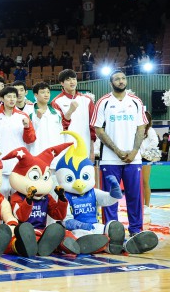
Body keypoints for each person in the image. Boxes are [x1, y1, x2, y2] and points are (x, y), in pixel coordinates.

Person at [92, 70, 147, 236]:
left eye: (123, 78)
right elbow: (98, 129)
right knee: (111, 198)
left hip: (134, 159)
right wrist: (117, 150)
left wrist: (135, 151)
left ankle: (136, 230)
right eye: (117, 79)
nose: (121, 81)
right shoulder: (103, 102)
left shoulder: (136, 101)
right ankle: (112, 232)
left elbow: (141, 128)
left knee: (134, 197)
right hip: (110, 159)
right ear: (111, 83)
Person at [0, 86, 36, 197]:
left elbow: (30, 139)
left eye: (14, 97)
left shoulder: (23, 116)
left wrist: (27, 127)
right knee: (1, 197)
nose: (12, 99)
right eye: (9, 96)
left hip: (19, 163)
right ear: (2, 98)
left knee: (18, 197)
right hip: (1, 162)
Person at [52, 69, 96, 161]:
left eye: (74, 79)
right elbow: (58, 128)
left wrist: (92, 150)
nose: (72, 82)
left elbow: (92, 127)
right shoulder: (56, 102)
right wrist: (70, 111)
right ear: (62, 83)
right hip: (66, 148)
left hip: (85, 146)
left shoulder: (87, 100)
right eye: (68, 80)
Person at [28, 82, 63, 157]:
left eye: (48, 92)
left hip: (54, 154)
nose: (46, 95)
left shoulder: (57, 113)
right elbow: (27, 134)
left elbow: (61, 134)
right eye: (43, 92)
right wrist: (37, 118)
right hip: (37, 153)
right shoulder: (28, 112)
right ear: (36, 95)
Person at [139, 112, 159, 220]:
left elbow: (155, 142)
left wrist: (145, 152)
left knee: (145, 181)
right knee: (138, 183)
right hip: (136, 158)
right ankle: (140, 204)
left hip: (146, 158)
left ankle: (146, 205)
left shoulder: (150, 130)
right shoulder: (137, 129)